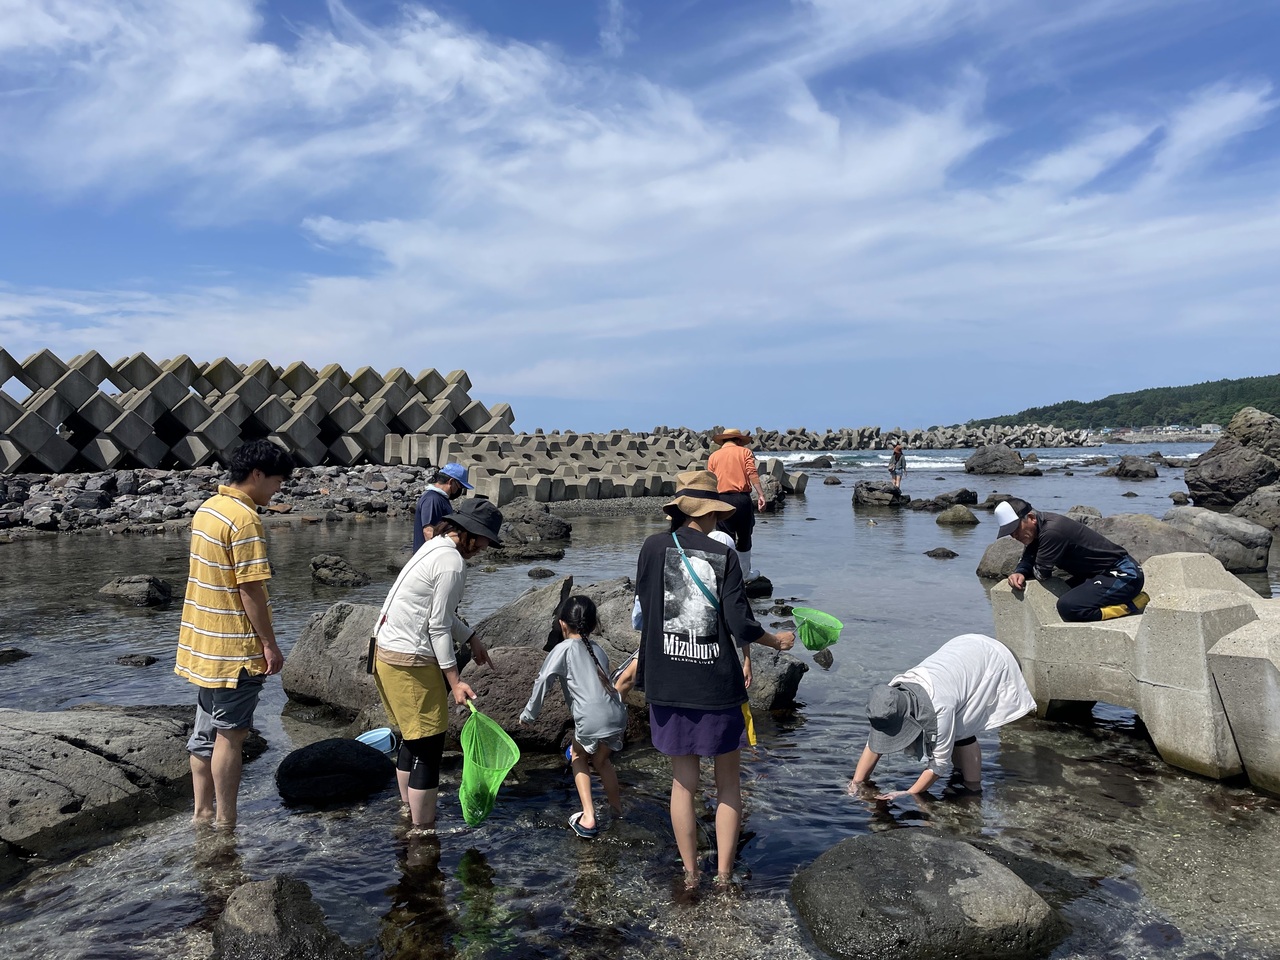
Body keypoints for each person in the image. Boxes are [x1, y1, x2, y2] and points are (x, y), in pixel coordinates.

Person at [634, 470, 795, 890]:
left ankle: (689, 876)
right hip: (715, 685)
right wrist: (775, 640)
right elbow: (740, 623)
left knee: (682, 784)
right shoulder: (723, 556)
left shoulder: (651, 548)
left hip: (666, 680)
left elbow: (646, 608)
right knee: (727, 784)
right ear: (710, 513)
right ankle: (723, 877)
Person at [175, 439, 296, 827]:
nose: (278, 489)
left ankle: (202, 813)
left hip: (202, 643)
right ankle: (227, 819)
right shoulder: (245, 520)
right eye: (277, 481)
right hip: (234, 650)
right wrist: (269, 644)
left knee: (204, 731)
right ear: (257, 474)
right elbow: (250, 589)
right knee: (231, 735)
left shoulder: (208, 509)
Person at [373, 498, 502, 833]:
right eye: (486, 539)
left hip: (386, 652)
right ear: (470, 534)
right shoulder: (452, 565)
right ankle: (423, 830)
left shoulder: (435, 548)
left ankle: (407, 812)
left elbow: (437, 615)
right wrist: (455, 680)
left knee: (411, 741)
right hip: (409, 660)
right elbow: (437, 627)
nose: (486, 546)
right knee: (429, 749)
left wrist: (471, 637)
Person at [847, 633, 1035, 801]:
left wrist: (908, 793)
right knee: (954, 730)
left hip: (990, 660)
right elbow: (873, 744)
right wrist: (857, 782)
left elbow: (938, 764)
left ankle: (973, 789)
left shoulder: (940, 707)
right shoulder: (889, 697)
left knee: (962, 731)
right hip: (963, 648)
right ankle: (961, 775)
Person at [520, 595, 627, 839]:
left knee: (578, 755)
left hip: (591, 719)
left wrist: (529, 714)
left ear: (562, 624)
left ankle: (588, 818)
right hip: (617, 715)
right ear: (593, 625)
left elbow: (543, 680)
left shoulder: (563, 648)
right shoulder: (598, 649)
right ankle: (617, 811)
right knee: (602, 762)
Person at [995, 497, 1150, 622]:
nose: (1014, 536)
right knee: (1062, 596)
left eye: (1016, 529)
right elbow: (1030, 554)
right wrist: (1020, 571)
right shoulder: (1040, 528)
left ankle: (1131, 605)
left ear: (1031, 518)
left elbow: (1041, 573)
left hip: (1124, 575)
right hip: (1096, 574)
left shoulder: (1052, 531)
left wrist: (1027, 567)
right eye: (1010, 533)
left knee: (1069, 607)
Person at [706, 428, 767, 579]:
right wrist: (761, 494)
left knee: (725, 536)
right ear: (738, 440)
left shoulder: (714, 456)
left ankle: (726, 574)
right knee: (745, 535)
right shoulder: (744, 452)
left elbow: (710, 480)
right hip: (742, 499)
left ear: (724, 441)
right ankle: (745, 573)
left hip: (721, 499)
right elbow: (752, 473)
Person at [412, 462, 472, 552]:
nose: (460, 490)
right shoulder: (432, 499)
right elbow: (428, 532)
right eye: (460, 486)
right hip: (429, 558)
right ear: (451, 481)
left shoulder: (440, 498)